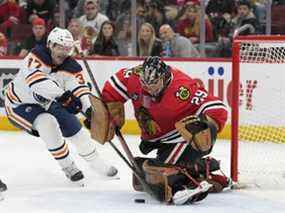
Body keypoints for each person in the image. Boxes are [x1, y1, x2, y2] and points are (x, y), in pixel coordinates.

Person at [98, 56, 230, 205]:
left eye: (154, 84)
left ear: (165, 77)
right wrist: (106, 111)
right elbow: (114, 86)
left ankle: (187, 180)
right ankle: (202, 167)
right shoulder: (133, 77)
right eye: (144, 84)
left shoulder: (182, 88)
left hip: (180, 136)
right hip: (154, 138)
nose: (149, 89)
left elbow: (218, 107)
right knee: (149, 172)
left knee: (157, 171)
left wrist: (207, 127)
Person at [4, 27, 118, 185]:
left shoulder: (70, 66)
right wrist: (64, 96)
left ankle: (97, 163)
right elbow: (37, 84)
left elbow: (79, 89)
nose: (63, 52)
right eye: (59, 47)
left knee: (75, 128)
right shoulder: (36, 56)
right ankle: (68, 166)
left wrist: (89, 110)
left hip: (49, 101)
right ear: (50, 45)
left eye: (67, 49)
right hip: (19, 104)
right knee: (47, 123)